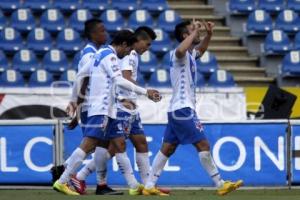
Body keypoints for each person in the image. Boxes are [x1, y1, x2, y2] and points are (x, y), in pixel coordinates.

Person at [53, 30, 161, 195]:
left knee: (115, 144)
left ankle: (130, 185)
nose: (126, 54)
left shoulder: (99, 54)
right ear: (124, 44)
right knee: (89, 144)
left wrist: (74, 100)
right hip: (101, 108)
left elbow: (80, 75)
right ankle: (63, 180)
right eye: (127, 50)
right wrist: (146, 92)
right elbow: (119, 80)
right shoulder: (109, 56)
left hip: (109, 109)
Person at [142, 20, 243, 196]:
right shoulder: (177, 54)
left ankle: (150, 185)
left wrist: (209, 35)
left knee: (168, 148)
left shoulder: (190, 55)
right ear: (185, 36)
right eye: (192, 30)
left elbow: (201, 50)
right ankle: (220, 184)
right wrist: (194, 33)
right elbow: (181, 49)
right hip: (182, 109)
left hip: (179, 108)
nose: (197, 32)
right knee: (203, 144)